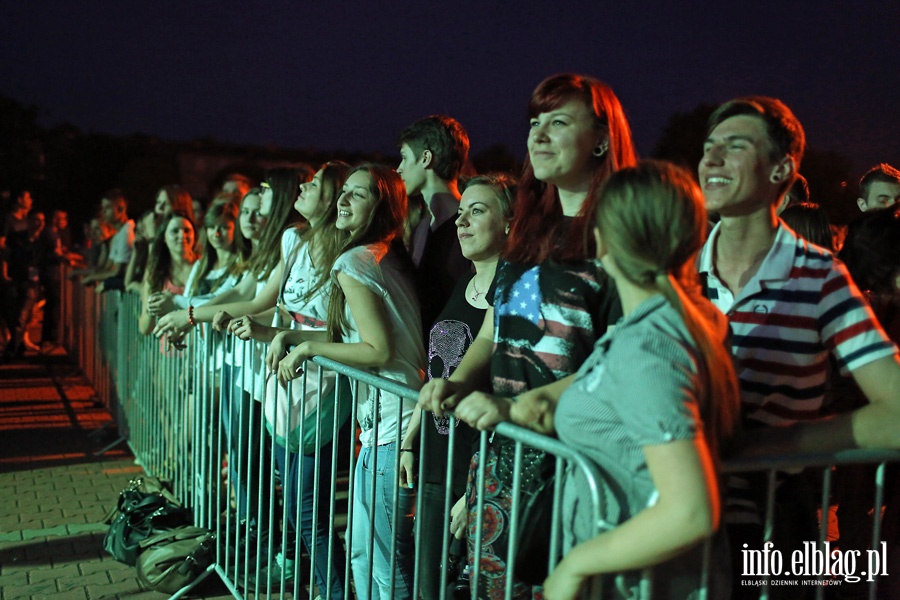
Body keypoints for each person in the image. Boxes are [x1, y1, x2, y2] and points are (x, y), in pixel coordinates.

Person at [451, 161, 739, 599]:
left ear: (605, 239)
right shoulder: (674, 321)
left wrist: (575, 566)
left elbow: (691, 511)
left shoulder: (649, 346)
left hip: (640, 582)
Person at [419, 73, 637, 599]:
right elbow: (500, 331)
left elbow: (629, 358)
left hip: (577, 465)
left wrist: (524, 409)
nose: (537, 135)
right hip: (507, 456)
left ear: (603, 140)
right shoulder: (530, 235)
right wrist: (460, 380)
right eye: (534, 123)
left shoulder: (619, 237)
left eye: (558, 122)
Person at [696, 96, 900, 597]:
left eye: (734, 146)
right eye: (708, 147)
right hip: (671, 513)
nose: (712, 160)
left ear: (781, 170)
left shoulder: (820, 275)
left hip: (769, 527)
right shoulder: (676, 262)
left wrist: (772, 446)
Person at [276, 164, 425, 600]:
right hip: (385, 421)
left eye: (356, 195)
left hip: (393, 423)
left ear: (381, 207)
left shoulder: (353, 261)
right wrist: (290, 336)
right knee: (364, 553)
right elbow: (352, 336)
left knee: (384, 560)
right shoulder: (380, 253)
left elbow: (377, 350)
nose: (342, 200)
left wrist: (307, 350)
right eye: (343, 192)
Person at [399, 173, 516, 598]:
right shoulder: (461, 284)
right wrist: (411, 440)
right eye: (461, 211)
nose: (462, 221)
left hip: (478, 471)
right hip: (436, 459)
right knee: (427, 584)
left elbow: (510, 394)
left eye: (477, 211)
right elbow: (438, 373)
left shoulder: (516, 296)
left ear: (509, 222)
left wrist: (476, 493)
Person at [397, 115, 472, 331]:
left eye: (404, 157)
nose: (399, 168)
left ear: (425, 158)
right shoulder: (422, 227)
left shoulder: (470, 226)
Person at [138, 211, 197, 336]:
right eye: (175, 231)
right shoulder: (156, 273)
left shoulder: (204, 267)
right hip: (171, 352)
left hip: (203, 349)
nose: (182, 235)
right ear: (164, 237)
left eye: (187, 231)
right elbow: (144, 328)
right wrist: (151, 310)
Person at [82, 190, 134, 288]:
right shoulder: (119, 235)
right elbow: (106, 268)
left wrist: (92, 278)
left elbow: (116, 272)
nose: (103, 212)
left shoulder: (127, 233)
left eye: (108, 208)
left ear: (121, 209)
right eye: (103, 208)